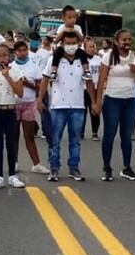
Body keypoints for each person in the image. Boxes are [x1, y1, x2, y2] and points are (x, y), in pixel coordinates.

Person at [38, 31, 96, 181]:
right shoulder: (54, 60)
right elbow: (44, 80)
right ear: (62, 44)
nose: (71, 46)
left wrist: (94, 101)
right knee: (55, 139)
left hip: (77, 105)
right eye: (68, 43)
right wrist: (40, 100)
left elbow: (89, 82)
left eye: (73, 43)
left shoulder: (82, 61)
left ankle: (74, 168)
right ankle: (54, 168)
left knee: (75, 140)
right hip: (58, 106)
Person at [95, 29, 135, 181]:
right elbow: (101, 80)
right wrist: (98, 102)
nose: (127, 42)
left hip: (130, 100)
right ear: (116, 42)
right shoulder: (108, 57)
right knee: (109, 135)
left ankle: (127, 167)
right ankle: (107, 167)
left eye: (129, 40)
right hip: (112, 99)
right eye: (124, 40)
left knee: (127, 136)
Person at [0, 45, 26, 189]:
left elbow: (20, 92)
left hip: (10, 109)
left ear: (9, 56)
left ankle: (12, 175)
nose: (2, 58)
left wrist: (7, 76)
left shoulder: (16, 72)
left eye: (5, 55)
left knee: (11, 143)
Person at [13, 40, 49, 174]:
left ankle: (36, 163)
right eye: (19, 50)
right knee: (14, 135)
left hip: (29, 103)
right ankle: (14, 162)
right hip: (14, 103)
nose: (22, 53)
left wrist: (28, 84)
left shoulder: (34, 67)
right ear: (15, 52)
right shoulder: (11, 67)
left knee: (29, 135)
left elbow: (40, 86)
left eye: (24, 50)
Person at [48, 6, 92, 81]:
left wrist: (75, 32)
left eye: (74, 17)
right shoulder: (61, 27)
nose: (72, 20)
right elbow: (56, 40)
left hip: (75, 48)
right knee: (57, 54)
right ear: (64, 18)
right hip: (63, 49)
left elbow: (81, 39)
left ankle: (86, 71)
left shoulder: (77, 27)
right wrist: (63, 32)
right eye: (70, 17)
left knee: (83, 54)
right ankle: (54, 72)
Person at [83, 38, 102, 140]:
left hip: (94, 88)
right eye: (90, 47)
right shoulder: (81, 59)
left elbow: (101, 74)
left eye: (93, 47)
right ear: (85, 48)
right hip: (83, 88)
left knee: (94, 111)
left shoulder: (98, 60)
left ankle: (95, 132)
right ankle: (80, 131)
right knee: (82, 111)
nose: (92, 49)